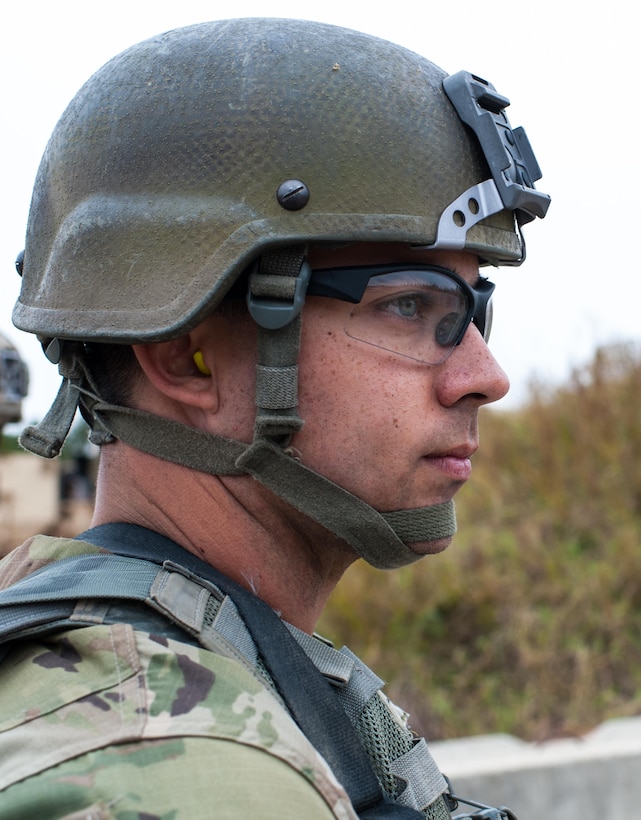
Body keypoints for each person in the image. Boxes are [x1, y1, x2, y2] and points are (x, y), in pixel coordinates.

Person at [0, 18, 549, 819]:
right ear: (187, 358)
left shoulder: (95, 627)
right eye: (408, 306)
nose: (483, 378)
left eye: (472, 309)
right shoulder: (175, 767)